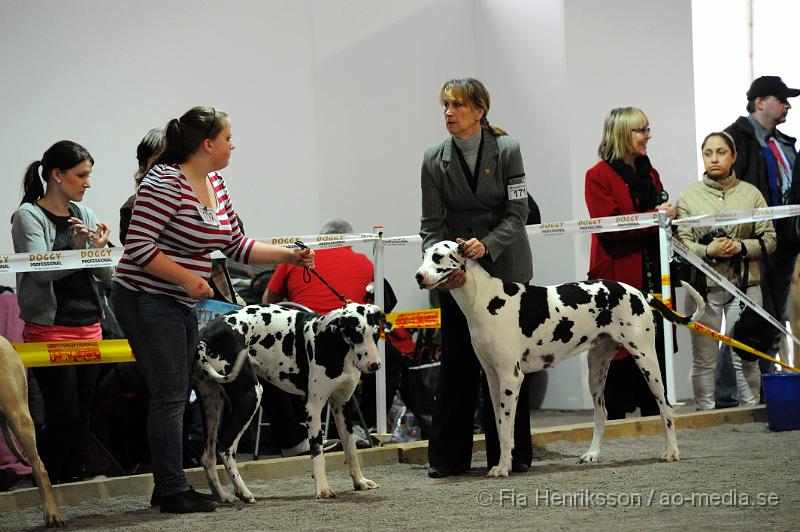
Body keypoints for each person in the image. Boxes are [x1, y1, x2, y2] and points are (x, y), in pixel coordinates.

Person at [111, 106, 314, 514]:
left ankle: (170, 483)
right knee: (169, 394)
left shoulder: (216, 183)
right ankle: (171, 488)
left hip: (180, 299)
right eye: (228, 138)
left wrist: (288, 257)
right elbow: (138, 247)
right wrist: (187, 279)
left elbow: (238, 245)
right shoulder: (165, 182)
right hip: (145, 296)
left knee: (175, 392)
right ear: (207, 144)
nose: (232, 145)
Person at [420, 78, 533, 478]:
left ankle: (513, 454)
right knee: (457, 359)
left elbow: (518, 213)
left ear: (480, 111)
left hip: (505, 263)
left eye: (458, 106)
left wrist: (486, 246)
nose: (449, 113)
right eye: (445, 106)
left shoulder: (508, 149)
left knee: (508, 364)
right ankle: (448, 457)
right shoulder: (433, 159)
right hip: (457, 276)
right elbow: (431, 226)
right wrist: (442, 265)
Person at [10, 140, 112, 484]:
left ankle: (73, 482)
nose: (88, 183)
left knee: (84, 413)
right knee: (63, 413)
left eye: (89, 175)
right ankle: (50, 483)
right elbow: (42, 271)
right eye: (81, 175)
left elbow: (106, 275)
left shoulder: (86, 214)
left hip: (90, 325)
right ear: (56, 175)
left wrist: (98, 251)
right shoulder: (28, 216)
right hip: (50, 329)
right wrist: (81, 251)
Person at [584, 107, 675, 419]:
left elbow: (654, 214)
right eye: (641, 130)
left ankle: (656, 410)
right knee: (619, 345)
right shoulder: (597, 176)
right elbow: (611, 228)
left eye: (647, 129)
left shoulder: (650, 173)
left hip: (651, 269)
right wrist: (656, 217)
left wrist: (665, 213)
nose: (648, 136)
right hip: (617, 272)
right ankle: (617, 419)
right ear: (622, 134)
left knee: (654, 339)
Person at [676, 132, 776, 409]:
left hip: (745, 287)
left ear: (733, 156)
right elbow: (681, 243)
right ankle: (705, 413)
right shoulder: (688, 196)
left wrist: (741, 247)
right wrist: (709, 250)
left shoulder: (751, 194)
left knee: (746, 354)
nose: (714, 158)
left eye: (721, 152)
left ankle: (750, 409)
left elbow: (770, 239)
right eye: (708, 153)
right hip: (702, 289)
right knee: (704, 357)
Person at [262, 218, 376, 455]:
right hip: (345, 345)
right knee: (389, 360)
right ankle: (368, 426)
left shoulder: (296, 258)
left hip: (300, 342)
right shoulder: (364, 263)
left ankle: (291, 440)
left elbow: (268, 301)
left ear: (320, 238)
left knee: (264, 364)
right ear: (350, 240)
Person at [725, 76, 800, 365]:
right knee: (747, 320)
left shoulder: (785, 144)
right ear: (759, 103)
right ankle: (729, 396)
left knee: (774, 318)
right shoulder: (734, 139)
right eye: (781, 99)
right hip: (751, 245)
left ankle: (767, 389)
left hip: (784, 241)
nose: (788, 105)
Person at [119, 128, 164, 244]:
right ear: (143, 166)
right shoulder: (131, 208)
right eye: (159, 162)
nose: (167, 169)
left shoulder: (193, 201)